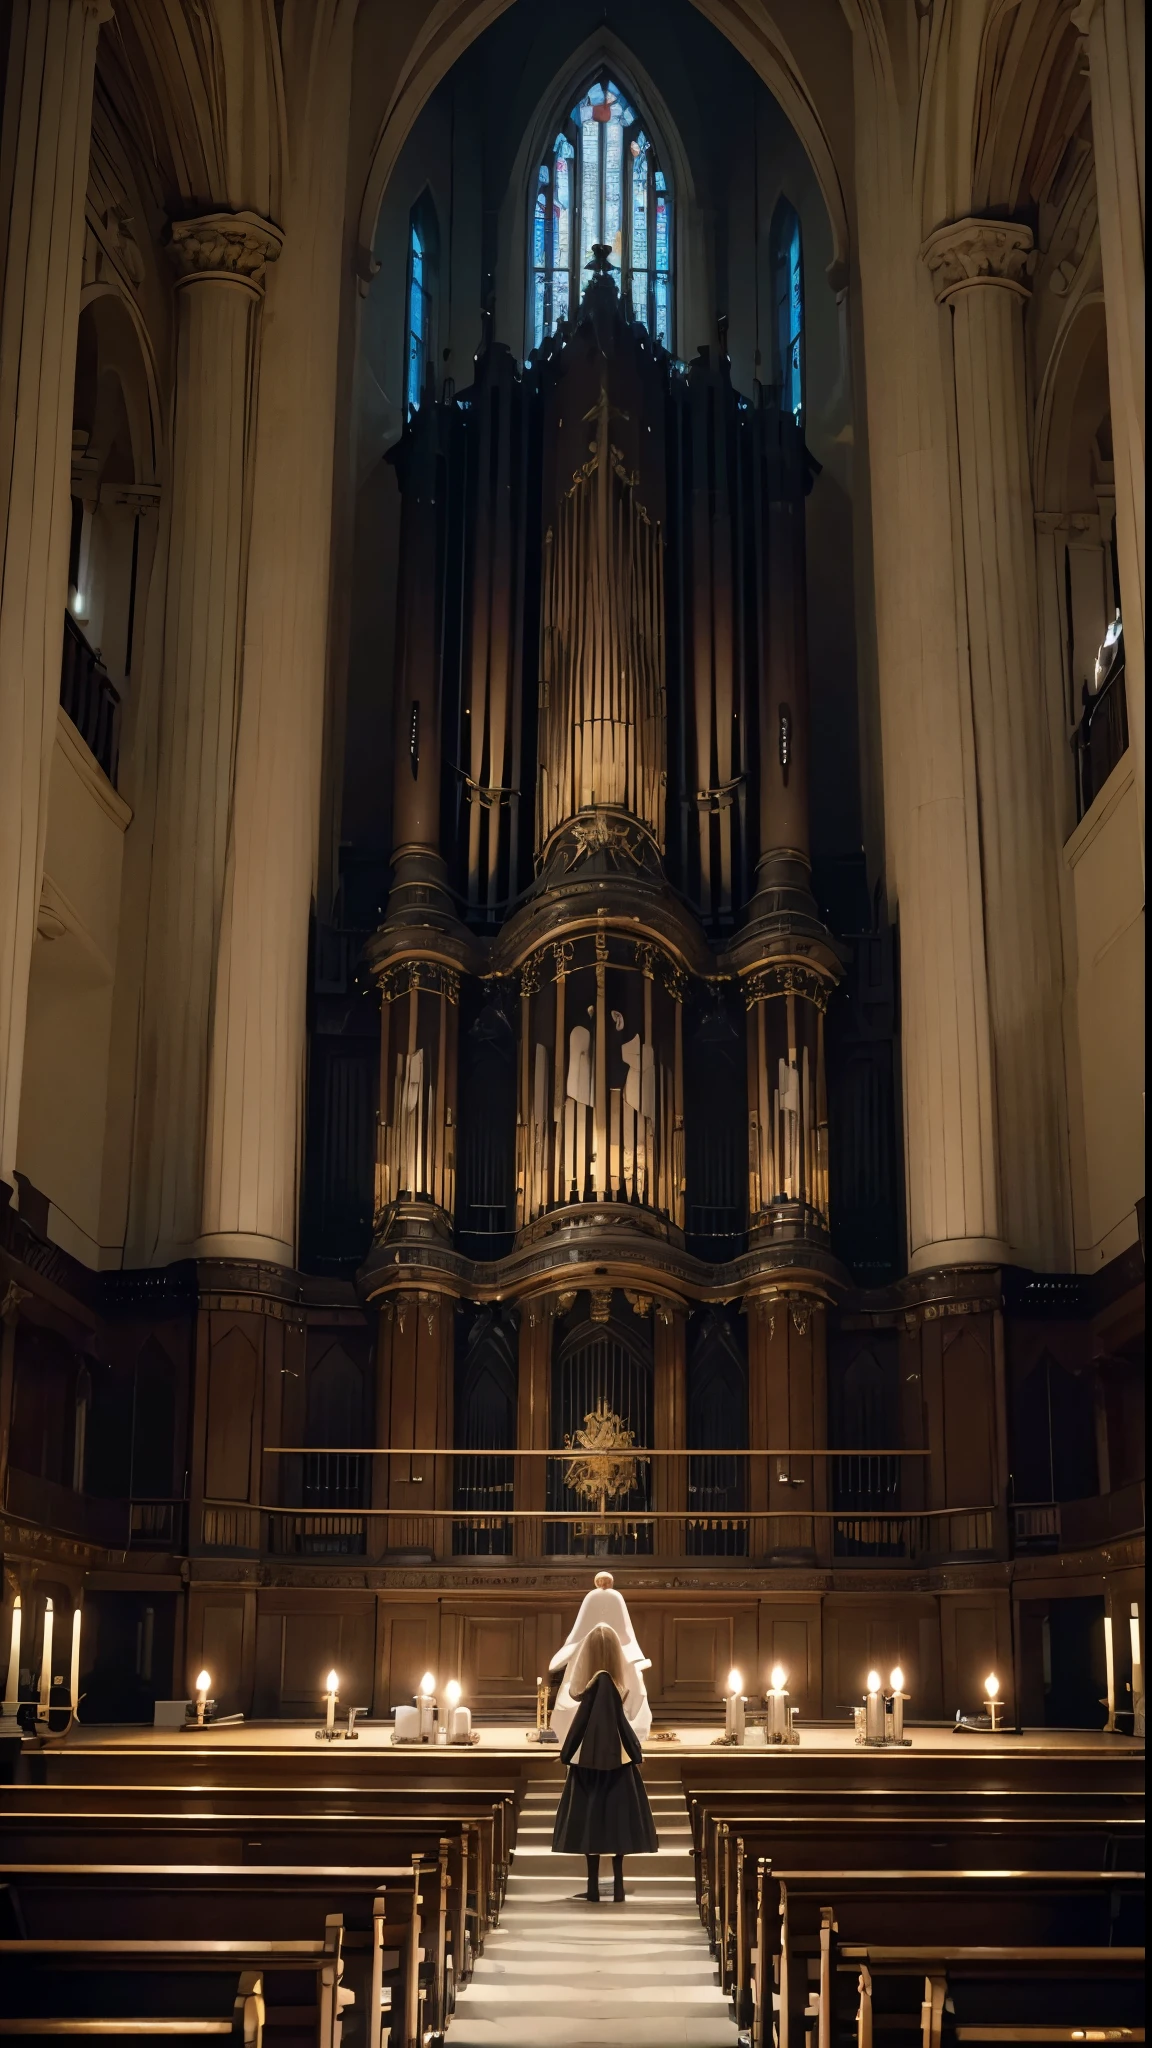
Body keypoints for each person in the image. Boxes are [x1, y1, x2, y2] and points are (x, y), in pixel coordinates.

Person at [552, 1621, 658, 1903]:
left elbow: (580, 1724)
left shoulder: (595, 1684)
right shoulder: (610, 1683)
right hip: (618, 1766)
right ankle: (619, 1886)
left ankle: (594, 1886)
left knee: (592, 1827)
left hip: (588, 1768)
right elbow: (622, 1724)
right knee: (617, 1825)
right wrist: (636, 1753)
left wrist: (566, 1753)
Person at [549, 1569, 652, 1742]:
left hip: (600, 1651)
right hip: (608, 1651)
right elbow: (625, 1632)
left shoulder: (601, 1597)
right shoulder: (606, 1597)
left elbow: (579, 1632)